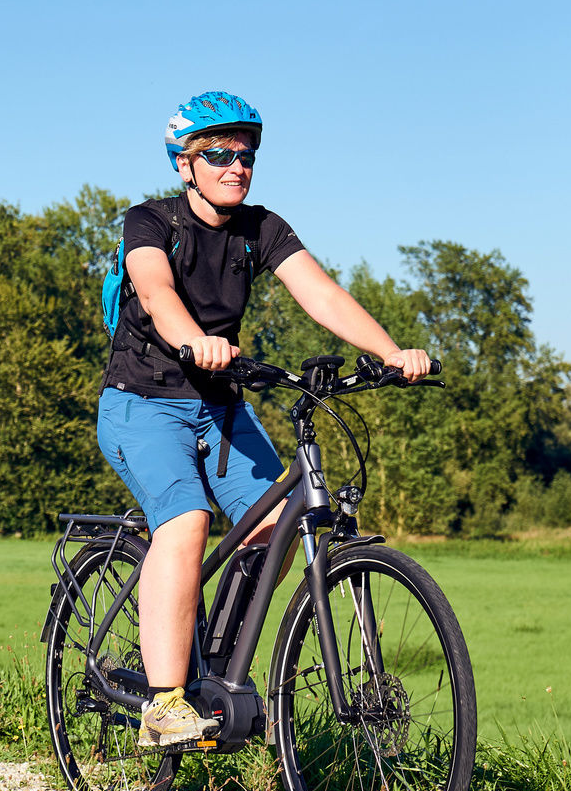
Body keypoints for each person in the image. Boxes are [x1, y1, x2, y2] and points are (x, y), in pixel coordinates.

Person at [98, 92, 432, 747]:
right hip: (141, 405)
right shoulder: (150, 222)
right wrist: (195, 339)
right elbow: (156, 292)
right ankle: (164, 705)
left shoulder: (262, 229)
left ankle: (214, 657)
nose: (235, 165)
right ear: (184, 165)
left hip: (220, 409)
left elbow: (321, 292)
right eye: (217, 154)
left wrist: (389, 352)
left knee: (280, 526)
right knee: (187, 518)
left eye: (245, 155)